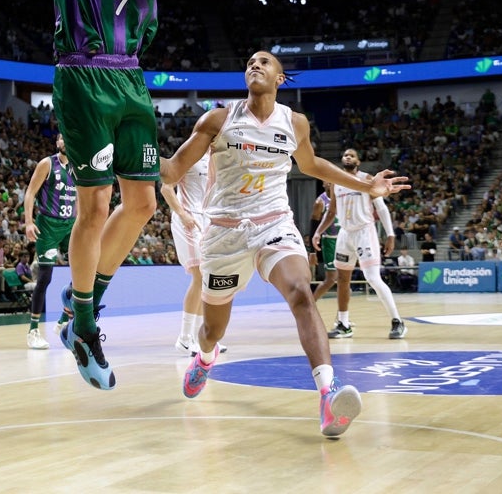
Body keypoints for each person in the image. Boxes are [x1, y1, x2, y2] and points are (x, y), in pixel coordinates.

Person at [19, 0, 221, 390]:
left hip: (132, 79)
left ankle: (86, 311)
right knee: (94, 206)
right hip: (81, 76)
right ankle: (83, 320)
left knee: (140, 204)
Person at [160, 50, 410, 438]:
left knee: (301, 293)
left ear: (280, 78)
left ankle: (328, 394)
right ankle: (205, 357)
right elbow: (173, 169)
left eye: (264, 62)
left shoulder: (294, 123)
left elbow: (311, 166)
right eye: (249, 63)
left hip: (273, 224)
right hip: (224, 235)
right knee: (211, 330)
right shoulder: (218, 119)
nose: (254, 65)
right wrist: (135, 150)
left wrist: (365, 184)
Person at [313, 148, 408, 341]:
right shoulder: (336, 182)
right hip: (345, 234)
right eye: (345, 155)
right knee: (342, 280)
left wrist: (390, 234)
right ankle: (344, 325)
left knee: (373, 278)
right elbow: (331, 213)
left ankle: (398, 321)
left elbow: (381, 207)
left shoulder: (367, 179)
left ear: (358, 161)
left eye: (351, 155)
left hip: (365, 232)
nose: (347, 157)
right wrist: (318, 232)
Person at [161, 151, 226, 356]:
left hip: (207, 220)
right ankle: (184, 338)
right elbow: (166, 188)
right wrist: (182, 214)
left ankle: (201, 337)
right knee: (200, 275)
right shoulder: (189, 155)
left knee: (207, 278)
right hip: (187, 220)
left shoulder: (215, 159)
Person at [21, 132, 78, 350]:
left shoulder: (77, 166)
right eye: (61, 138)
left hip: (70, 225)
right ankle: (33, 330)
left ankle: (65, 318)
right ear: (57, 142)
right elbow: (30, 193)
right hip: (47, 225)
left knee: (85, 271)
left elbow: (80, 198)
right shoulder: (47, 164)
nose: (64, 141)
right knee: (44, 278)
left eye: (67, 138)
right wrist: (28, 222)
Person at [310, 182, 340, 300]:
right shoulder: (320, 202)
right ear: (323, 184)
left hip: (344, 239)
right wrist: (313, 252)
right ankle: (311, 303)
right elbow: (313, 225)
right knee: (331, 279)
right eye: (328, 181)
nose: (331, 183)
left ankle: (343, 316)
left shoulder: (341, 196)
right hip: (330, 242)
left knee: (344, 278)